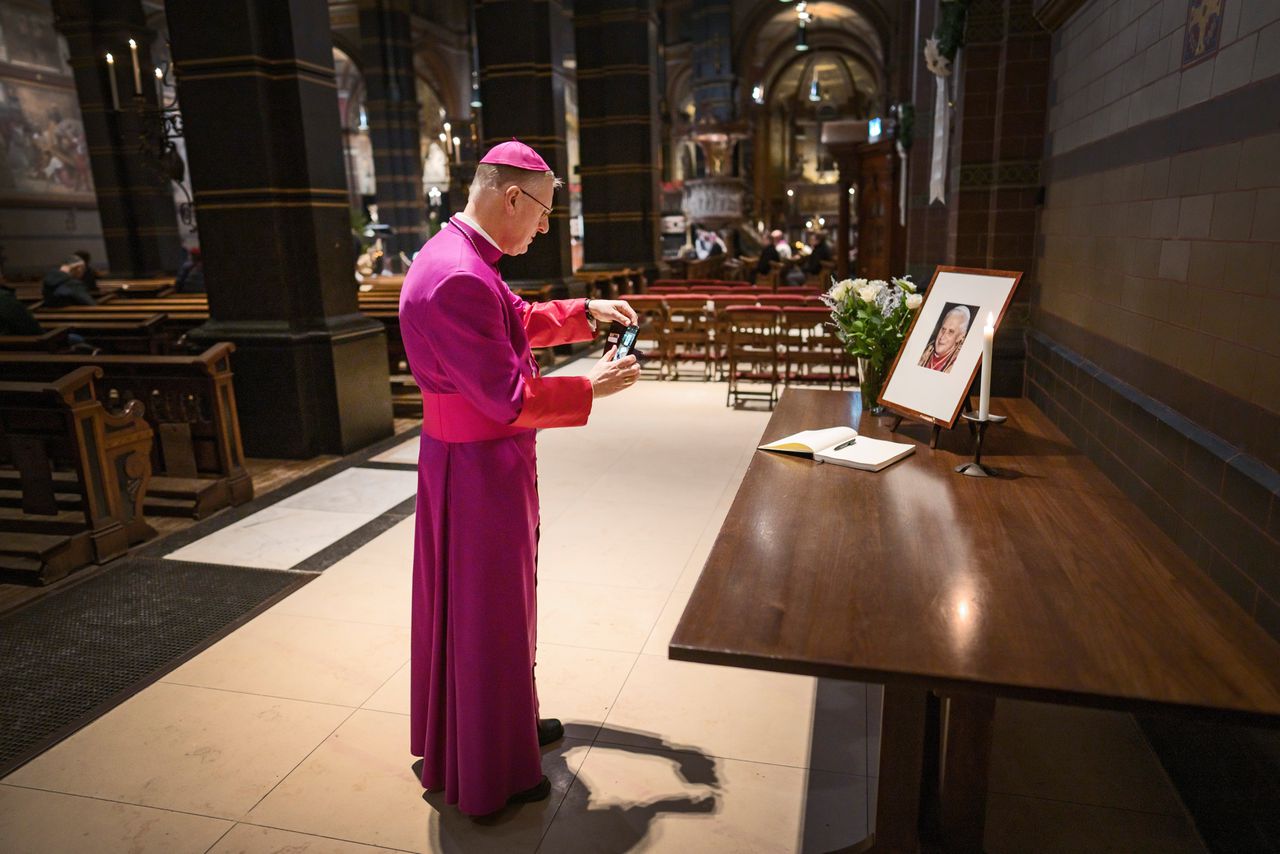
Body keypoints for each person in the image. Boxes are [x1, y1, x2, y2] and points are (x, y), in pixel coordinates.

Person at [401, 139, 641, 817]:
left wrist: (582, 313)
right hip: (476, 470)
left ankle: (501, 725)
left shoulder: (461, 256)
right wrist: (591, 387)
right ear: (512, 197)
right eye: (541, 215)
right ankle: (492, 769)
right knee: (490, 612)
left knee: (503, 609)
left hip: (477, 463)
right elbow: (506, 394)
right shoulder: (458, 275)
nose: (542, 229)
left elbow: (510, 323)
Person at [918, 305, 972, 373]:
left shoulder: (960, 364)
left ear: (960, 337)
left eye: (951, 331)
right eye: (943, 329)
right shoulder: (925, 350)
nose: (942, 337)